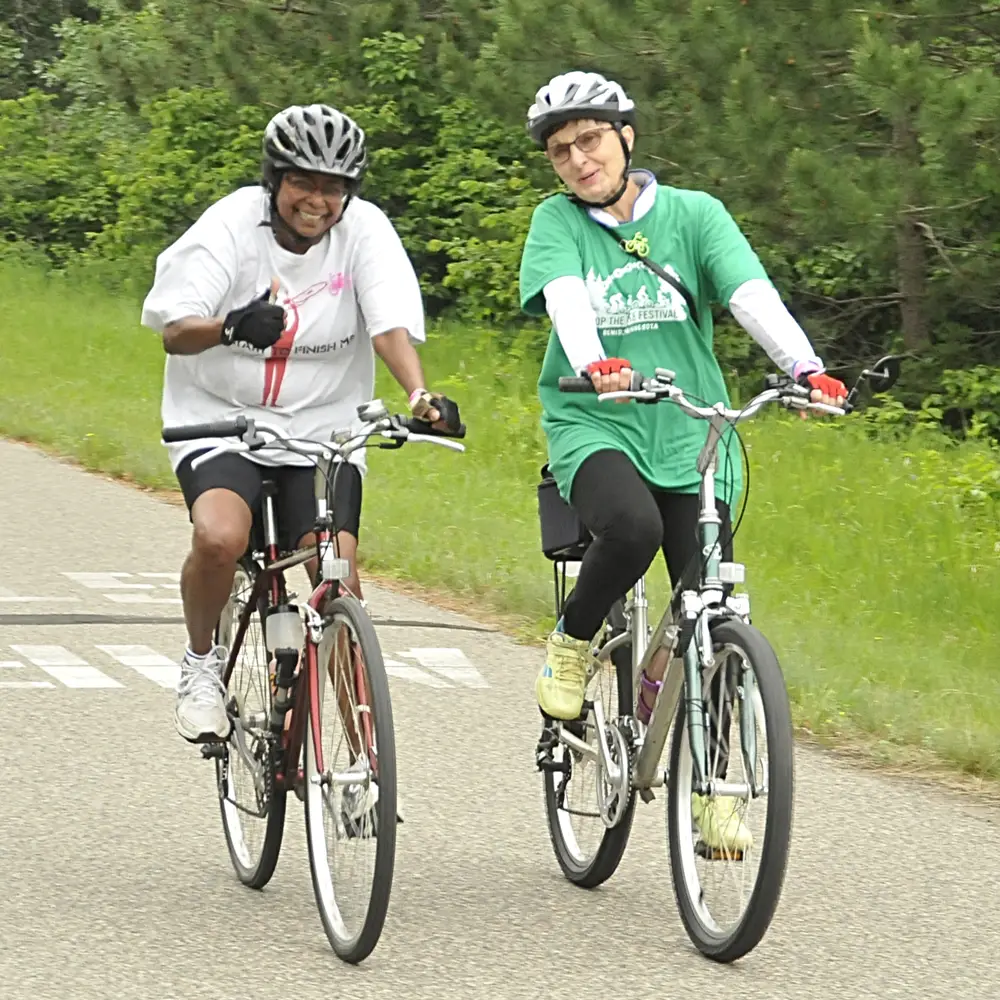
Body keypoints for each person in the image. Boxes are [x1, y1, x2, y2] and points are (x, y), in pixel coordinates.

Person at [519, 71, 847, 850]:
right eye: (561, 150)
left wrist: (807, 368)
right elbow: (567, 299)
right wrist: (597, 362)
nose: (577, 159)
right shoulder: (557, 222)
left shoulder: (696, 215)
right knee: (627, 530)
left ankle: (717, 792)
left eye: (590, 140)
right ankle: (571, 644)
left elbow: (747, 294)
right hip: (595, 417)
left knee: (715, 612)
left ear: (626, 137)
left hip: (690, 426)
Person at [141, 103, 460, 744]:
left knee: (335, 570)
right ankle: (203, 663)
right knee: (221, 537)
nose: (317, 200)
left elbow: (389, 324)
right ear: (275, 180)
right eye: (303, 183)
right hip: (221, 419)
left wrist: (422, 394)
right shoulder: (231, 225)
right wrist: (230, 327)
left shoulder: (365, 231)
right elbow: (176, 331)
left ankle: (362, 764)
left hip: (321, 427)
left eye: (334, 187)